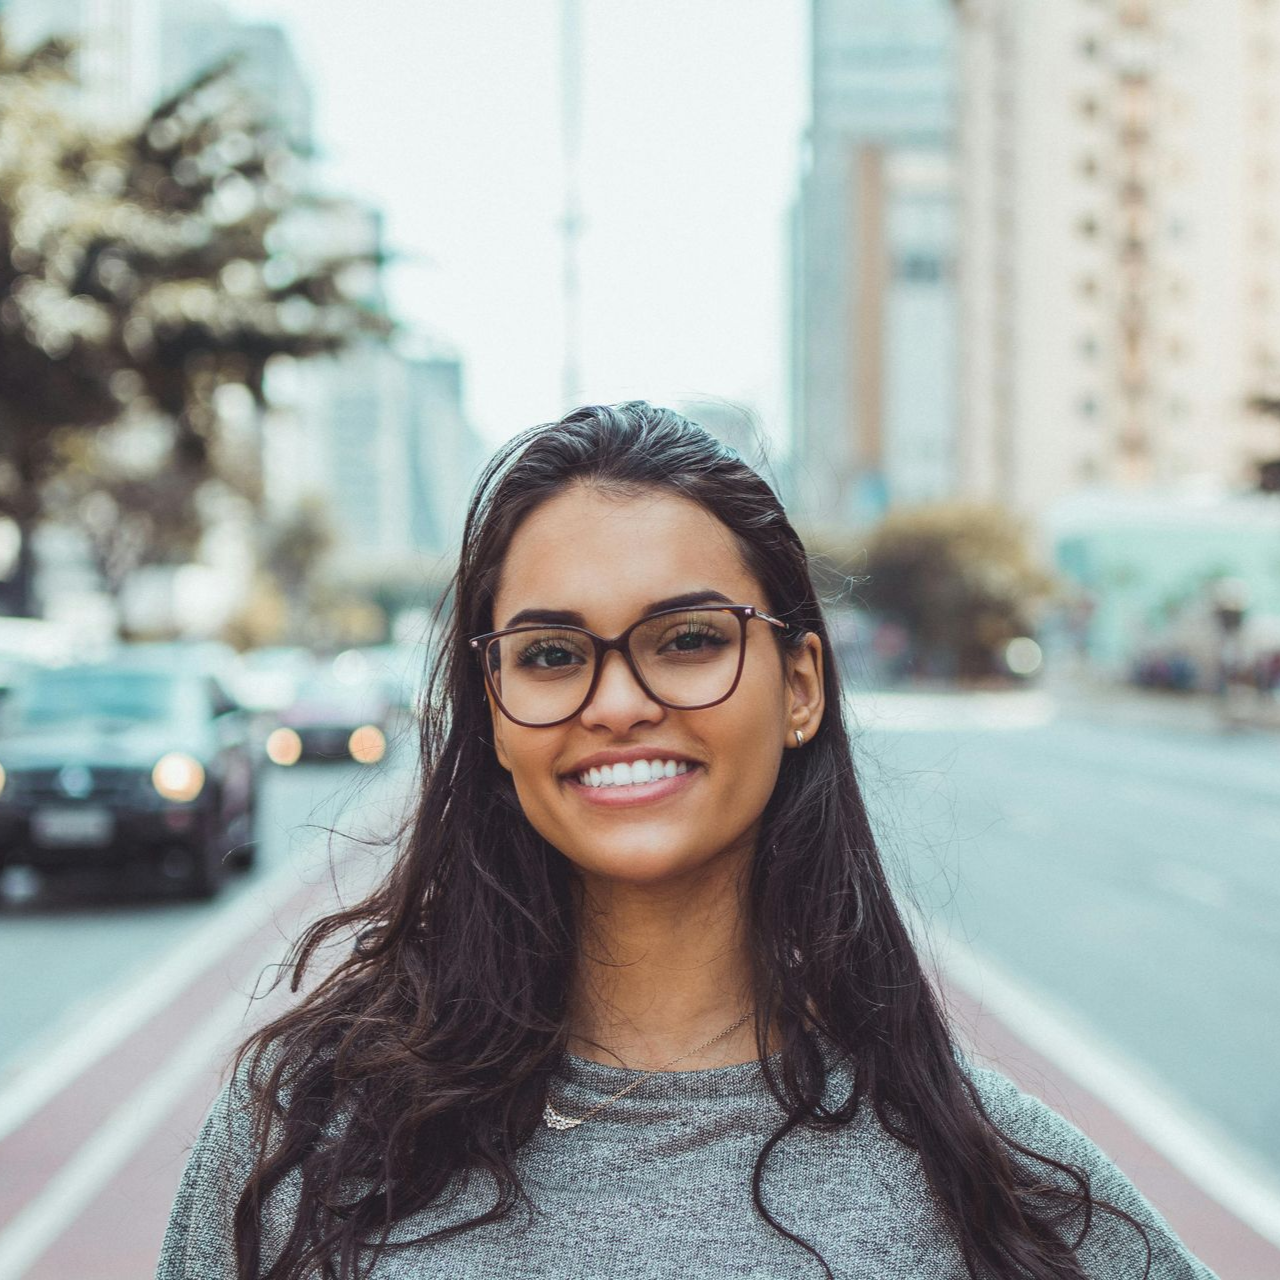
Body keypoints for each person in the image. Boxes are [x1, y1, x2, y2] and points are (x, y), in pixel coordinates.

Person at [156, 403, 1217, 1280]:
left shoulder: (992, 1185)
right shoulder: (299, 1140)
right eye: (552, 652)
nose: (616, 701)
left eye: (689, 639)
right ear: (489, 708)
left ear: (797, 684)